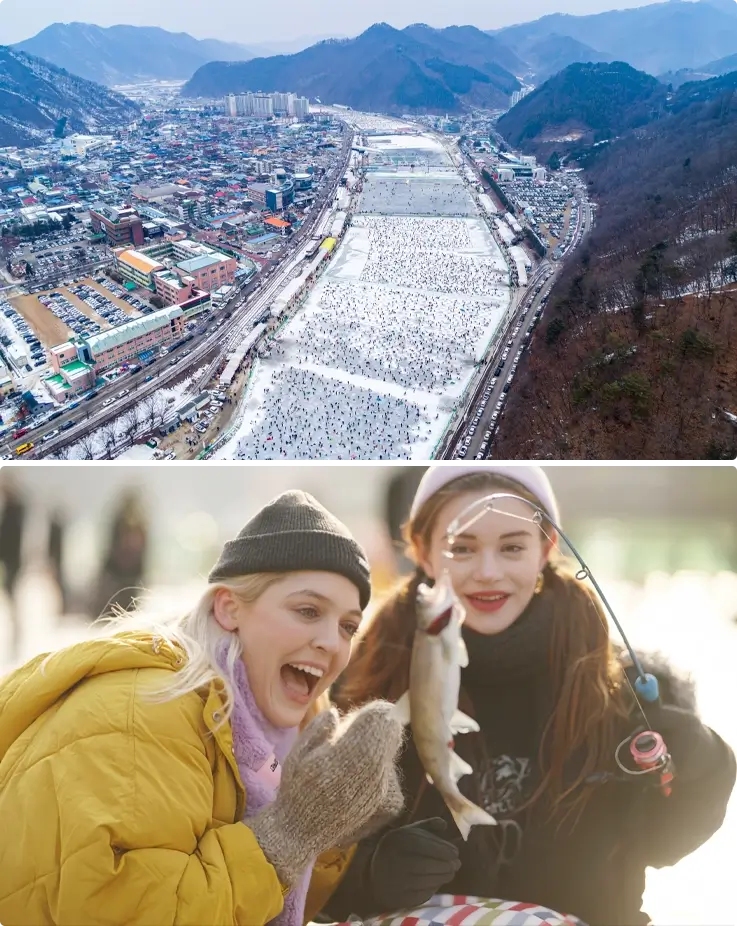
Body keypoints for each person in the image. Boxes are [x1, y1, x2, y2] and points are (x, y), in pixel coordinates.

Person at [323, 464, 736, 926]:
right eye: (462, 548)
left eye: (512, 547)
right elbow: (308, 863)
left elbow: (664, 841)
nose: (488, 572)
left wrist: (704, 769)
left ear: (546, 549)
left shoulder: (619, 685)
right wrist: (367, 876)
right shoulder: (357, 682)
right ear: (422, 552)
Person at [0, 490, 405, 926]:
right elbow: (123, 910)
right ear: (229, 608)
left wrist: (339, 840)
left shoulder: (268, 726)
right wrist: (289, 833)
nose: (332, 642)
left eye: (348, 626)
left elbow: (242, 897)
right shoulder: (147, 714)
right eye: (308, 611)